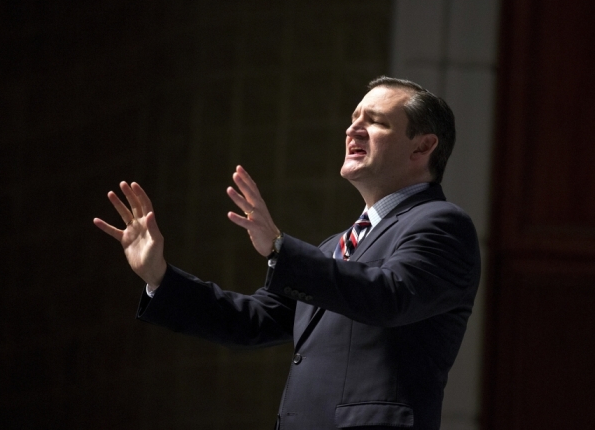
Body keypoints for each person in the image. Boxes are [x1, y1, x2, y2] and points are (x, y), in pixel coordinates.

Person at [93, 76, 481, 430]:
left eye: (376, 121)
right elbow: (251, 321)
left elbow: (390, 297)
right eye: (353, 118)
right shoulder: (334, 248)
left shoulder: (442, 224)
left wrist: (279, 248)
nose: (352, 129)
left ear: (423, 146)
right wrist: (159, 276)